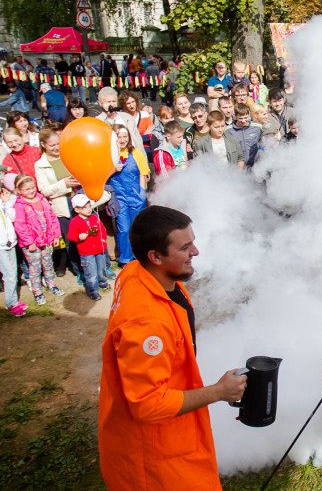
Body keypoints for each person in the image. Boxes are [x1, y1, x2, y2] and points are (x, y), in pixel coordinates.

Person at [98, 205, 246, 490]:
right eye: (185, 247)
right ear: (155, 256)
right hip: (153, 453)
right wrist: (219, 391)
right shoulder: (147, 322)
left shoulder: (139, 270)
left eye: (193, 241)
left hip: (166, 436)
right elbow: (148, 404)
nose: (196, 252)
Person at [35, 129, 83, 278]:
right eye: (52, 145)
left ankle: (88, 265)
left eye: (58, 144)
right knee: (71, 239)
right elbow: (44, 190)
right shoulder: (40, 165)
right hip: (62, 204)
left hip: (78, 199)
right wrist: (64, 184)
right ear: (43, 145)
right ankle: (77, 269)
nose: (56, 148)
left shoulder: (66, 155)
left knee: (84, 235)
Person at [13, 174, 64, 305]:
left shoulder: (42, 200)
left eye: (32, 188)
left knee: (48, 264)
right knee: (35, 268)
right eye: (26, 189)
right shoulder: (20, 205)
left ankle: (52, 285)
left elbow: (52, 218)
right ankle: (38, 292)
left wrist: (56, 236)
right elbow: (20, 225)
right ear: (19, 191)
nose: (31, 191)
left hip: (46, 240)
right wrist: (30, 242)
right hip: (32, 245)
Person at [109, 123, 149, 267]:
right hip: (119, 198)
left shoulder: (136, 152)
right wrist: (113, 169)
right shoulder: (110, 155)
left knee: (137, 228)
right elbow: (103, 176)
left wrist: (142, 193)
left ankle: (138, 257)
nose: (122, 139)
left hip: (136, 196)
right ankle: (125, 259)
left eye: (125, 136)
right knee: (124, 229)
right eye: (119, 137)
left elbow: (143, 173)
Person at [67, 193, 110, 301]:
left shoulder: (94, 218)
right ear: (77, 210)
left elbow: (102, 229)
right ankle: (93, 291)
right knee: (91, 273)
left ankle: (102, 282)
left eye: (89, 206)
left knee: (100, 268)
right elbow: (70, 236)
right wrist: (78, 237)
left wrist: (103, 239)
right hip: (86, 252)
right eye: (84, 207)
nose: (88, 209)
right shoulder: (74, 222)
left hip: (99, 249)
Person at [0, 180, 27, 316]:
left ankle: (13, 300)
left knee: (13, 273)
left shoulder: (4, 198)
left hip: (10, 242)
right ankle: (11, 304)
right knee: (9, 275)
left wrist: (6, 202)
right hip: (1, 246)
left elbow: (13, 217)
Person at [96, 87, 146, 156]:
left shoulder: (127, 117)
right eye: (108, 102)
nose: (112, 104)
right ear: (100, 103)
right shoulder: (97, 121)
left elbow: (138, 141)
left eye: (114, 101)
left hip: (135, 157)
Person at [224, 103, 263, 170]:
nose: (243, 121)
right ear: (235, 116)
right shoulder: (228, 130)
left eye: (245, 118)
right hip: (238, 167)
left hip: (255, 166)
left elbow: (262, 143)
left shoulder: (257, 127)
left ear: (249, 114)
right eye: (240, 118)